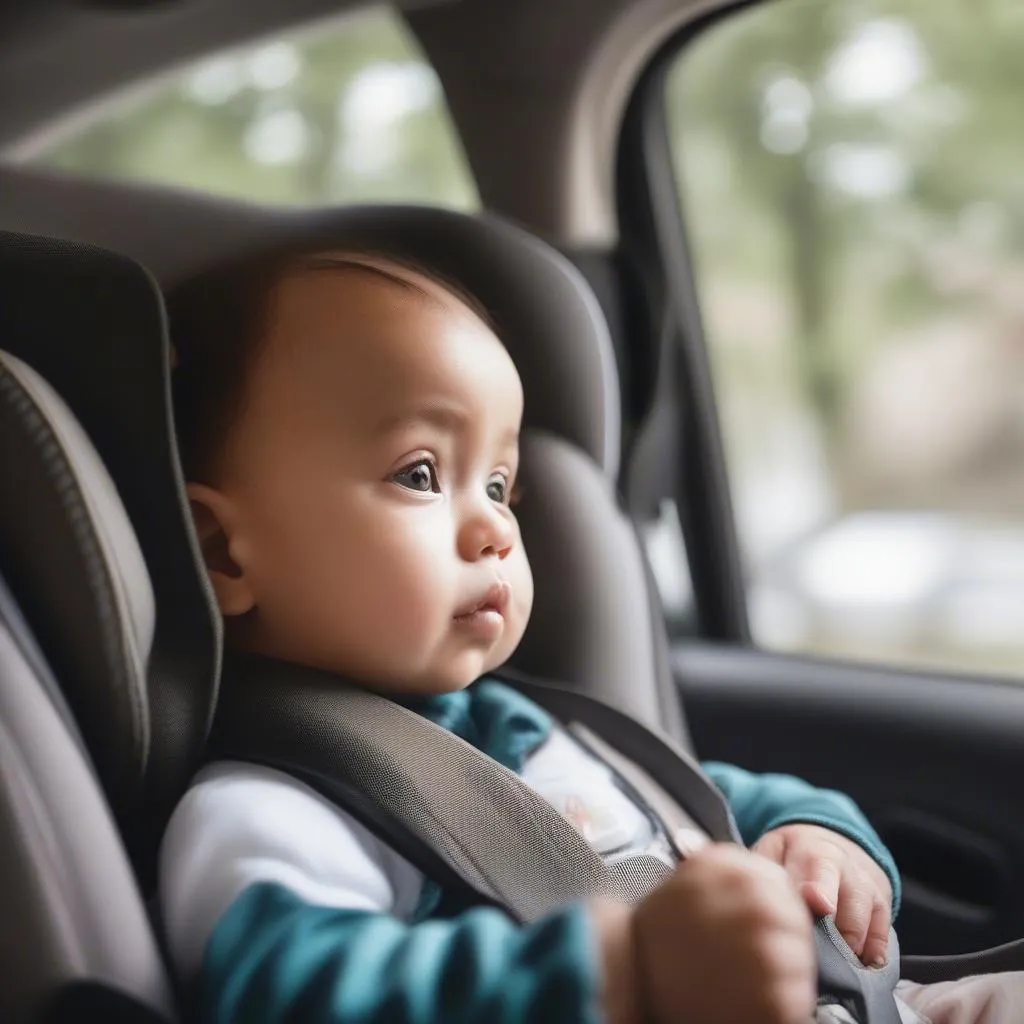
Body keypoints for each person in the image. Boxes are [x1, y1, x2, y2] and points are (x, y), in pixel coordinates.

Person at [160, 249, 1022, 1024]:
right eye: (420, 474)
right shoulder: (272, 804)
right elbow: (286, 989)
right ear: (221, 552)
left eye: (500, 486)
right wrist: (618, 976)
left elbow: (706, 802)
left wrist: (817, 836)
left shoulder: (528, 726)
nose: (495, 528)